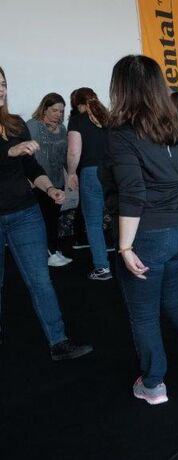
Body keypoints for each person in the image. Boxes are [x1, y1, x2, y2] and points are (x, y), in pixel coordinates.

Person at [100, 55, 178, 405]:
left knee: (144, 314)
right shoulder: (172, 129)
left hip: (148, 235)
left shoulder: (122, 134)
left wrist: (125, 247)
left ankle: (153, 384)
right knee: (177, 299)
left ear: (120, 88)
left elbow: (132, 193)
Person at [0, 66, 93, 360]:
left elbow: (30, 167)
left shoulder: (15, 124)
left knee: (40, 279)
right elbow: (13, 155)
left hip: (24, 213)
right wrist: (8, 152)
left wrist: (50, 188)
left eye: (2, 83)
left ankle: (58, 342)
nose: (0, 89)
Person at [66, 87, 112, 280]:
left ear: (77, 104)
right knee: (121, 217)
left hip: (91, 172)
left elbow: (74, 151)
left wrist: (71, 173)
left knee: (93, 222)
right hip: (114, 171)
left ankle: (102, 267)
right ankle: (129, 259)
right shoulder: (110, 118)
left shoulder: (77, 120)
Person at [27, 93, 72, 267]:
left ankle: (53, 250)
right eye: (54, 110)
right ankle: (47, 253)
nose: (58, 114)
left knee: (54, 218)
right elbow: (25, 156)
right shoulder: (33, 126)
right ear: (45, 109)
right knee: (42, 220)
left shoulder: (62, 129)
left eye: (61, 111)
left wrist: (72, 174)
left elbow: (66, 155)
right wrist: (27, 178)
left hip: (57, 181)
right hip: (39, 183)